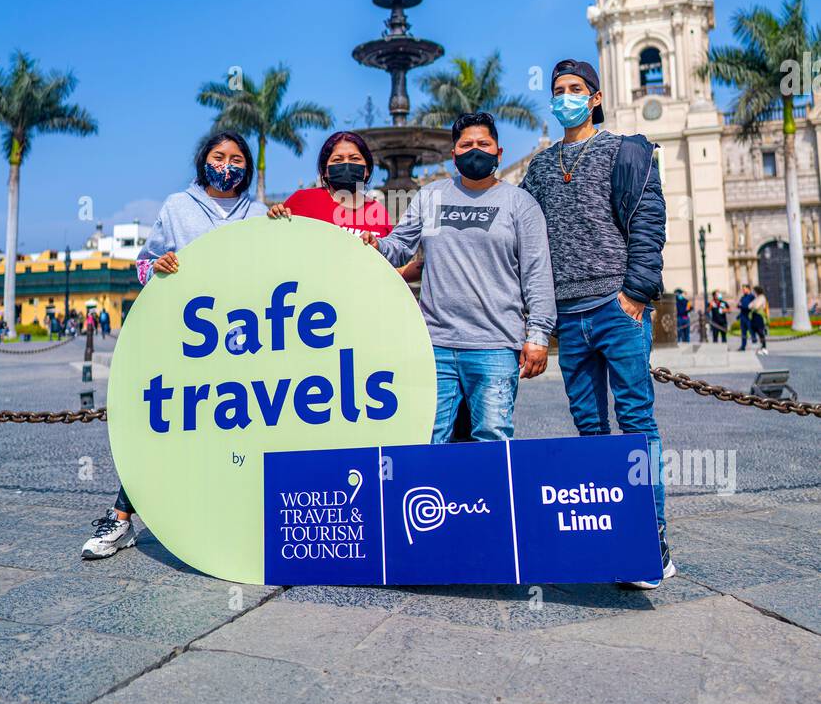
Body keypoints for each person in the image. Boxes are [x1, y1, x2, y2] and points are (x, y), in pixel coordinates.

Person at [521, 59, 673, 589]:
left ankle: (652, 542)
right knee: (590, 429)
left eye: (575, 90)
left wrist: (636, 292)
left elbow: (650, 221)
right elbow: (524, 238)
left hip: (616, 308)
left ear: (595, 97)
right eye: (557, 89)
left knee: (636, 422)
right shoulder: (539, 168)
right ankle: (617, 536)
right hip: (569, 316)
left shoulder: (625, 150)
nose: (564, 96)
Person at [81, 130, 267, 561]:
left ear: (247, 165)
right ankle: (121, 518)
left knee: (248, 427)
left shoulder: (257, 212)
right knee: (171, 426)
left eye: (236, 158)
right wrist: (158, 265)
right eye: (219, 156)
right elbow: (145, 264)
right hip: (191, 338)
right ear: (204, 160)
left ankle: (236, 518)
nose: (227, 165)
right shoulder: (177, 206)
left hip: (249, 340)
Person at [361, 111, 556, 442]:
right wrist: (375, 244)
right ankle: (432, 496)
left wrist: (538, 336)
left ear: (499, 152)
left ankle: (491, 495)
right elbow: (399, 247)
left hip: (495, 344)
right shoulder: (430, 196)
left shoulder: (520, 203)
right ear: (453, 155)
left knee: (492, 436)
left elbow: (537, 272)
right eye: (466, 144)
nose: (475, 150)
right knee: (430, 436)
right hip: (435, 345)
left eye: (484, 143)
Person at [268, 130, 393, 238]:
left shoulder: (378, 212)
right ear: (325, 171)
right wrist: (274, 218)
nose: (346, 165)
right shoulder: (303, 200)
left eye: (354, 158)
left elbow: (388, 261)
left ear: (367, 170)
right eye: (337, 160)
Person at [750, 285, 769, 353]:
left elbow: (756, 306)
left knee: (760, 332)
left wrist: (753, 306)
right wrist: (753, 306)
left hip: (759, 316)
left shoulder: (762, 297)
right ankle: (760, 346)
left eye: (753, 291)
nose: (752, 292)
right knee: (753, 329)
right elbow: (749, 305)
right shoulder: (756, 298)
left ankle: (764, 347)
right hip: (754, 316)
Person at [738, 283, 757, 350]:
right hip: (743, 317)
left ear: (748, 289)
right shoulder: (743, 297)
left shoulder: (752, 297)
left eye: (744, 289)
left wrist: (742, 306)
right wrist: (742, 306)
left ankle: (755, 344)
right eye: (742, 289)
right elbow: (738, 305)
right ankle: (743, 346)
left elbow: (752, 306)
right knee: (743, 332)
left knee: (751, 331)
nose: (743, 290)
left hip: (749, 317)